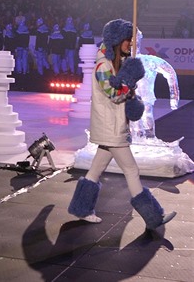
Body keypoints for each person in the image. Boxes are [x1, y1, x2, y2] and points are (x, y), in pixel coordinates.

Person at [68, 19, 176, 230]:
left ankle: (81, 208)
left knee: (96, 170)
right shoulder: (103, 66)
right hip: (111, 128)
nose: (130, 43)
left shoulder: (113, 64)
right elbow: (115, 95)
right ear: (117, 40)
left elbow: (122, 94)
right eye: (128, 39)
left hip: (113, 126)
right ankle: (154, 217)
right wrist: (128, 79)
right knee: (131, 170)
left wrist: (128, 80)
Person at [129, 29, 179, 140]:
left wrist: (174, 96)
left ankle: (148, 138)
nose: (133, 44)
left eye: (135, 40)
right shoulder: (122, 62)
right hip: (128, 100)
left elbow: (170, 73)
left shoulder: (150, 61)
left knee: (146, 118)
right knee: (134, 123)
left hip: (145, 99)